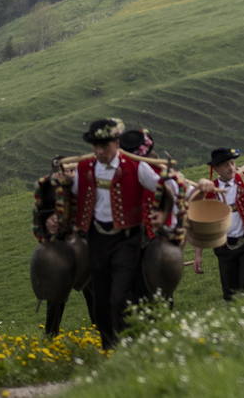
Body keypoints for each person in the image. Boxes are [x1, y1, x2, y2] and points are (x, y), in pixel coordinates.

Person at [52, 117, 177, 349]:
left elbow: (165, 188)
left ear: (116, 143)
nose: (100, 152)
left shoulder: (136, 167)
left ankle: (126, 344)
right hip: (96, 239)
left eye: (105, 146)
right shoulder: (84, 168)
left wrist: (163, 212)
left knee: (119, 296)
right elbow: (72, 195)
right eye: (96, 147)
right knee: (100, 299)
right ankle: (109, 346)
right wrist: (64, 187)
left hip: (127, 239)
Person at [193, 147, 244, 301]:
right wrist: (198, 255)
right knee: (229, 293)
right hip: (224, 247)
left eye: (232, 163)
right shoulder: (210, 191)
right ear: (216, 169)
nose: (231, 168)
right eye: (225, 165)